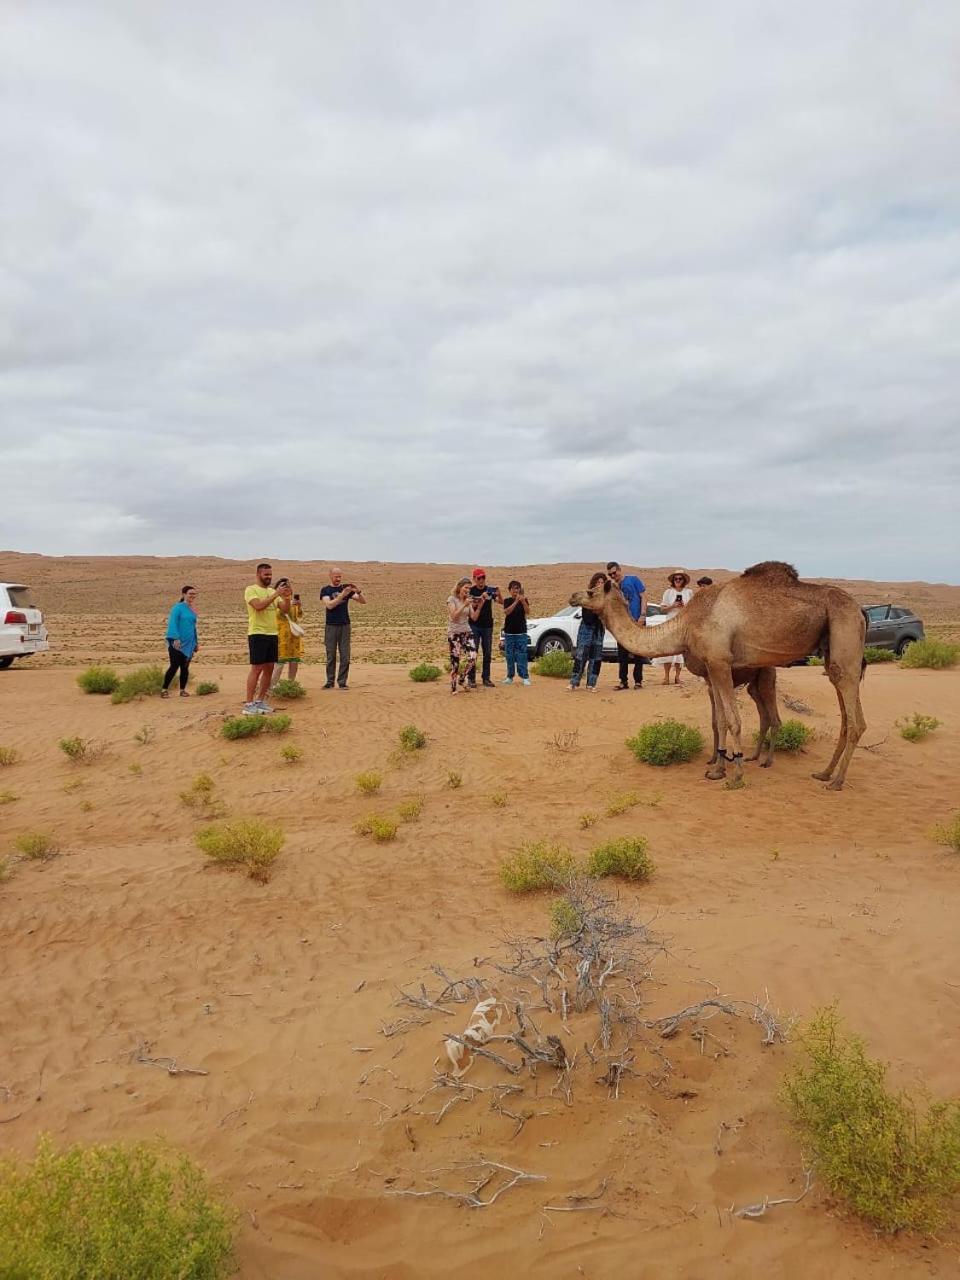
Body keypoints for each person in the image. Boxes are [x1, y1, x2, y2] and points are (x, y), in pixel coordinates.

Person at [243, 562, 286, 714]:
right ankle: (248, 704)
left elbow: (285, 609)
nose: (269, 577)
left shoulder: (273, 592)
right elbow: (258, 606)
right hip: (257, 633)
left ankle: (260, 700)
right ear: (258, 574)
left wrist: (286, 597)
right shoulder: (251, 590)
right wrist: (275, 594)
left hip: (272, 634)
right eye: (266, 574)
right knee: (257, 668)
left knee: (269, 668)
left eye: (270, 574)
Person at [320, 568, 366, 689]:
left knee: (345, 655)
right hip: (331, 626)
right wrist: (342, 595)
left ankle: (342, 682)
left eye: (340, 576)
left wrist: (358, 591)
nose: (338, 579)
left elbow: (363, 601)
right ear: (330, 575)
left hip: (345, 625)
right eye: (336, 576)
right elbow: (329, 605)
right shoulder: (326, 590)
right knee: (331, 655)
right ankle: (330, 682)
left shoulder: (346, 589)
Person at [606, 561, 647, 689]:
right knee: (622, 653)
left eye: (614, 572)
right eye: (610, 574)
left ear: (619, 570)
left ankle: (638, 681)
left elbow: (643, 596)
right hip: (622, 624)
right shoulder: (613, 587)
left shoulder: (633, 579)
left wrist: (643, 614)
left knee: (638, 652)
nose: (613, 576)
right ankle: (623, 681)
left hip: (636, 620)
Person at [652, 572, 693, 685]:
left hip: (683, 623)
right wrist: (673, 605)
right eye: (676, 579)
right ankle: (666, 677)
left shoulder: (689, 592)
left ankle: (677, 677)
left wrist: (684, 606)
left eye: (680, 579)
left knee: (681, 650)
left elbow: (692, 609)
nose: (678, 580)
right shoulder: (668, 592)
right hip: (670, 622)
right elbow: (662, 609)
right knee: (669, 649)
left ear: (684, 580)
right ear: (673, 580)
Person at [569, 572, 606, 691]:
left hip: (599, 629)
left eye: (602, 582)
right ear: (594, 582)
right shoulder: (587, 595)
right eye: (598, 582)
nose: (600, 584)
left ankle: (591, 684)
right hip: (586, 627)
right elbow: (573, 602)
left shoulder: (606, 597)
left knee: (596, 657)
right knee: (581, 655)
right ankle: (574, 682)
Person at [161, 585, 198, 698]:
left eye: (194, 594)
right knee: (174, 666)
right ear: (184, 594)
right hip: (177, 642)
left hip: (189, 642)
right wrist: (175, 638)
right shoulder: (177, 608)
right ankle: (164, 689)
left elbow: (193, 626)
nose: (192, 596)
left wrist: (196, 642)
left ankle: (182, 690)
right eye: (190, 593)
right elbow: (172, 623)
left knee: (185, 667)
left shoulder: (192, 609)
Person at [447, 577, 482, 694]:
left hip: (467, 632)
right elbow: (453, 616)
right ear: (459, 587)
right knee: (455, 662)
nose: (468, 590)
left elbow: (474, 617)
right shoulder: (452, 599)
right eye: (466, 587)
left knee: (473, 657)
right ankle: (453, 687)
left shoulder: (468, 600)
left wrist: (480, 606)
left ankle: (462, 678)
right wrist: (464, 605)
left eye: (469, 588)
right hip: (454, 634)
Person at [468, 568, 500, 688]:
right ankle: (471, 678)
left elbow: (500, 602)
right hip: (474, 625)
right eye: (479, 578)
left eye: (483, 578)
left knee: (487, 653)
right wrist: (481, 597)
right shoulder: (470, 591)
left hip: (487, 626)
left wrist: (499, 593)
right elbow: (471, 604)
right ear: (474, 579)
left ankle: (486, 678)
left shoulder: (490, 590)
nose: (481, 580)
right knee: (473, 652)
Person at [271, 579, 304, 689]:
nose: (286, 588)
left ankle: (290, 684)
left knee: (294, 661)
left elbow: (299, 615)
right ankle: (272, 685)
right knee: (279, 661)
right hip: (281, 635)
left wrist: (299, 606)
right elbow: (280, 613)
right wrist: (287, 602)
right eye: (283, 586)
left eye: (288, 586)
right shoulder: (276, 600)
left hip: (293, 636)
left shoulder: (292, 600)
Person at [500, 579, 531, 685]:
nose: (515, 590)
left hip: (521, 632)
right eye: (513, 588)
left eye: (517, 588)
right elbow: (507, 612)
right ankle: (510, 676)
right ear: (509, 590)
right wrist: (516, 601)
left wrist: (522, 601)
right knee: (509, 656)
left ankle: (525, 677)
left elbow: (528, 612)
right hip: (509, 633)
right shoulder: (507, 601)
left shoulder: (524, 600)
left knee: (522, 655)